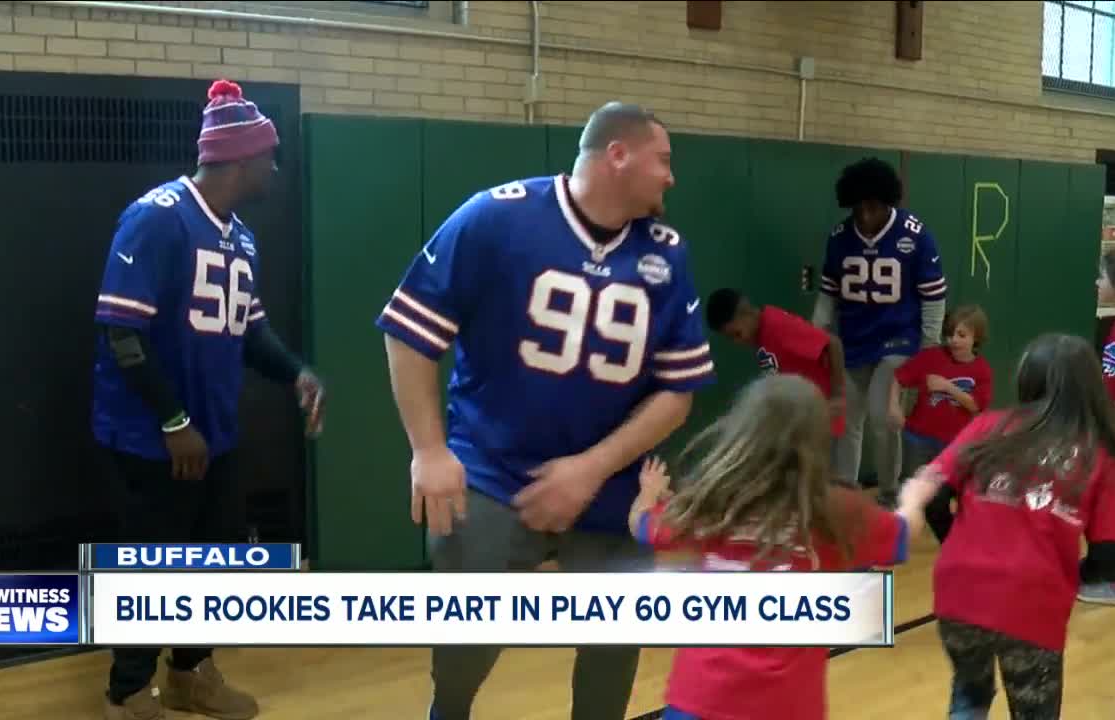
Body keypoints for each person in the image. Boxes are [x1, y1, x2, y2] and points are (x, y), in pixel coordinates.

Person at [375, 101, 715, 720]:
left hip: (612, 485)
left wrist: (590, 469)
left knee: (612, 650)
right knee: (463, 646)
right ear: (618, 154)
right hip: (493, 471)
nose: (671, 177)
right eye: (662, 160)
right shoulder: (495, 217)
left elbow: (678, 392)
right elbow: (408, 332)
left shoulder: (668, 255)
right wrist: (428, 449)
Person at [91, 79, 326, 720]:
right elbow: (121, 331)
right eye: (269, 157)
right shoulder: (159, 217)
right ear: (242, 160)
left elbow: (250, 329)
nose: (276, 168)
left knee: (212, 563)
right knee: (152, 573)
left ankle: (190, 674)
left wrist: (296, 372)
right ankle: (128, 695)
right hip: (153, 439)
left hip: (215, 436)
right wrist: (172, 421)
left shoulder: (241, 237)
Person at [627, 374, 922, 720]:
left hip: (700, 700)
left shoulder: (714, 503)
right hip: (787, 707)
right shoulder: (838, 511)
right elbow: (904, 535)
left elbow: (642, 526)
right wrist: (914, 498)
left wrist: (649, 493)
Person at [901, 333, 1115, 718]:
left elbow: (936, 494)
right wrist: (1061, 575)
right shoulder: (1099, 455)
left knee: (969, 694)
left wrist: (958, 544)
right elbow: (1110, 562)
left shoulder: (989, 425)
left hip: (957, 590)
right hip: (1033, 603)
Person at [811, 157, 947, 507]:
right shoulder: (840, 238)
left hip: (899, 339)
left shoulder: (916, 235)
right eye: (860, 208)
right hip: (854, 339)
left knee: (881, 414)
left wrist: (930, 349)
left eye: (874, 208)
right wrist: (817, 336)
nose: (866, 216)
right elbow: (828, 294)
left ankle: (890, 492)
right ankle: (845, 492)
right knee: (848, 420)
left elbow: (933, 298)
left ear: (888, 203)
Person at [886, 304, 992, 541]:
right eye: (950, 333)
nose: (953, 340)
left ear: (977, 337)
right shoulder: (931, 357)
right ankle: (905, 532)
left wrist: (947, 387)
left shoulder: (981, 369)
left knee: (948, 495)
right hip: (918, 438)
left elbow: (976, 405)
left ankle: (957, 538)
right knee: (914, 488)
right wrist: (894, 405)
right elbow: (898, 377)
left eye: (961, 335)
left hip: (954, 444)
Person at [704, 287, 847, 453]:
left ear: (746, 313)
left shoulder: (778, 326)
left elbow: (833, 344)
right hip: (803, 420)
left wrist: (837, 395)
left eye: (737, 334)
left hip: (823, 419)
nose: (737, 341)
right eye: (731, 338)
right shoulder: (761, 337)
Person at [1082, 245, 1115, 604]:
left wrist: (1114, 412)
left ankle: (1114, 580)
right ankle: (1113, 558)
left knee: (1109, 500)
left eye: (1102, 276)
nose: (1097, 282)